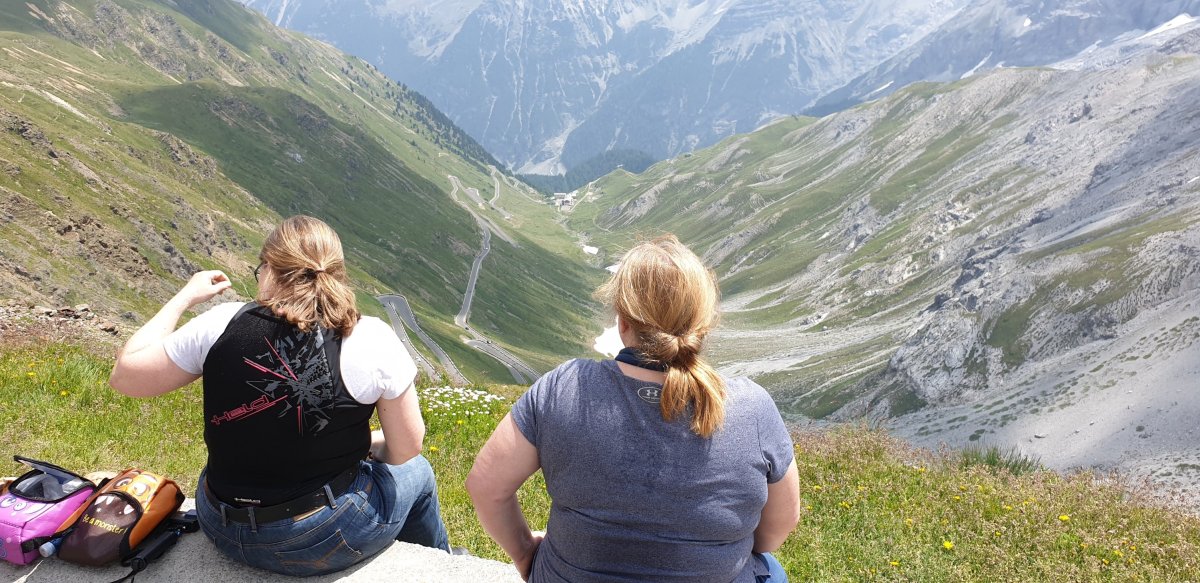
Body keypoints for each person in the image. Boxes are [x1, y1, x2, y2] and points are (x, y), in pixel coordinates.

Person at [109, 215, 450, 576]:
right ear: (336, 273)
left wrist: (184, 298)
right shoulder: (369, 337)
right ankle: (441, 567)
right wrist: (362, 444)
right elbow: (406, 448)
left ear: (270, 268)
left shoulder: (221, 322)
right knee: (418, 471)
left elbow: (126, 377)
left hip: (220, 524)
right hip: (317, 538)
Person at [467, 234, 801, 582]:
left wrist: (525, 553)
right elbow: (776, 530)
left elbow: (486, 486)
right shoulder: (753, 407)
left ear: (623, 322)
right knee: (770, 568)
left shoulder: (564, 386)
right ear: (703, 325)